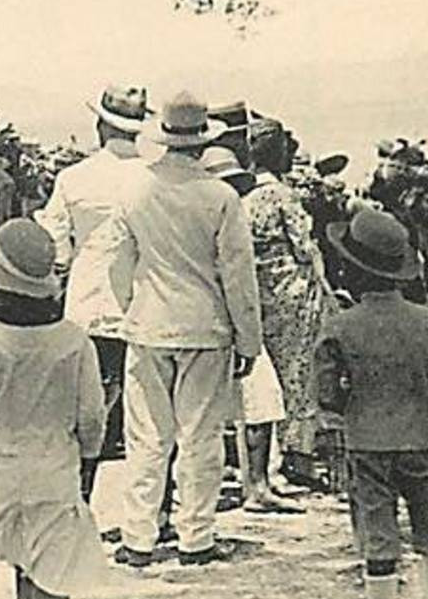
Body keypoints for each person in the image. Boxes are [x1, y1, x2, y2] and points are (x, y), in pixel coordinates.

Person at [96, 91, 263, 568]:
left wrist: (135, 306)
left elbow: (118, 264)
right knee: (200, 437)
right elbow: (238, 275)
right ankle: (196, 537)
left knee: (146, 438)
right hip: (206, 327)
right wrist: (248, 339)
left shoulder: (134, 191)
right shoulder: (221, 196)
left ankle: (138, 537)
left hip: (149, 324)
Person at [0, 218, 108, 599]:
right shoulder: (74, 341)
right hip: (55, 470)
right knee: (55, 576)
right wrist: (88, 456)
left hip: (4, 469)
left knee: (21, 565)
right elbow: (92, 417)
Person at [316, 207, 428, 599]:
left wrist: (354, 408)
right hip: (426, 437)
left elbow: (326, 395)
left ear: (351, 268)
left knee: (377, 536)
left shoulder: (340, 327)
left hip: (367, 441)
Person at [33, 84, 154, 507]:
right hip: (143, 305)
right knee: (149, 414)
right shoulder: (153, 176)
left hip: (87, 304)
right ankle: (152, 510)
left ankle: (80, 498)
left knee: (88, 406)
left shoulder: (74, 178)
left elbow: (57, 250)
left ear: (100, 124)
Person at [198, 147, 299, 515]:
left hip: (226, 319)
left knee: (262, 400)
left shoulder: (234, 214)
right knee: (209, 415)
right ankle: (246, 485)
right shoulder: (207, 218)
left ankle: (255, 483)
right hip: (213, 321)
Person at [242, 119, 335, 497]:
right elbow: (306, 249)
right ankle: (297, 454)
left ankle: (271, 460)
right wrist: (324, 289)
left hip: (262, 295)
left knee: (269, 379)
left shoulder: (247, 201)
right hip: (295, 294)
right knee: (298, 375)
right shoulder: (284, 197)